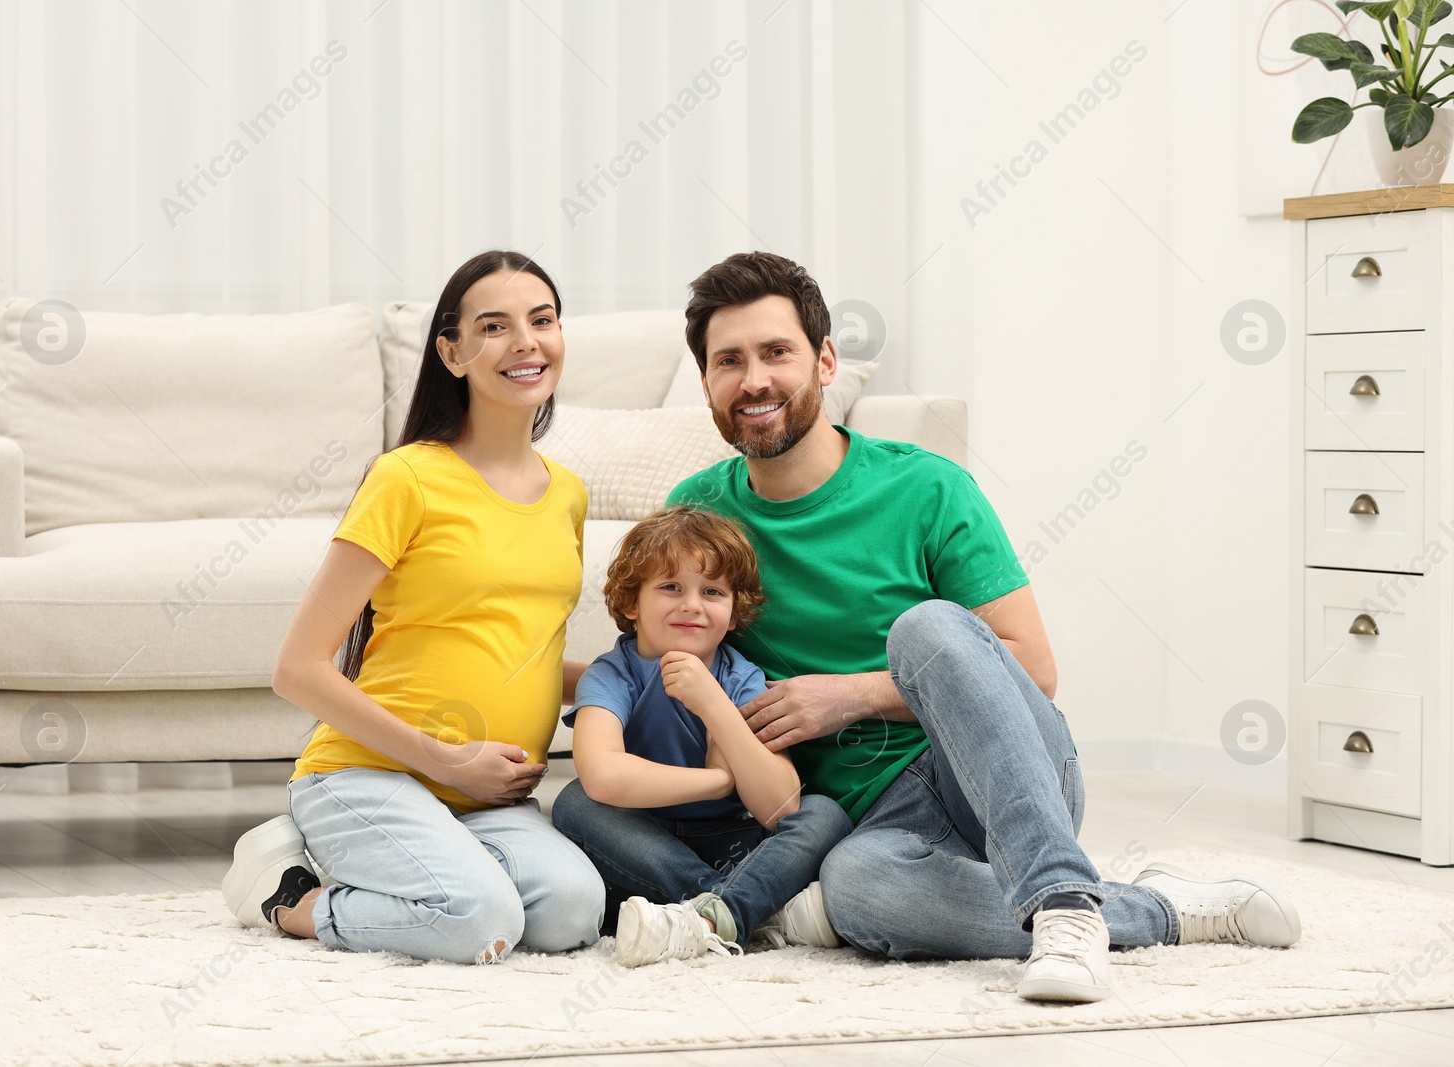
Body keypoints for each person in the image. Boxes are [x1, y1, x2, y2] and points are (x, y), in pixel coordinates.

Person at [665, 251, 1302, 1003]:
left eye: (777, 353)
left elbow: (1033, 669)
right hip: (873, 826)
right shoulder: (695, 514)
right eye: (728, 361)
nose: (755, 380)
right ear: (705, 382)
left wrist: (854, 696)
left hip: (993, 773)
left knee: (928, 627)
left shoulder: (925, 486)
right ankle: (1155, 908)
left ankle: (1063, 903)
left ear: (825, 360)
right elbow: (658, 664)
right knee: (856, 892)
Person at [220, 250, 604, 964]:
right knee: (478, 920)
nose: (525, 340)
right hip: (366, 772)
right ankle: (291, 895)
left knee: (574, 913)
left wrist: (644, 679)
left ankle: (421, 865)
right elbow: (297, 668)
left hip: (491, 800)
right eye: (495, 326)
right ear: (452, 353)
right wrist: (447, 760)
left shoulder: (569, 493)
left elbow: (523, 648)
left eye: (542, 319)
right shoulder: (407, 478)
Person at [551, 506, 852, 967]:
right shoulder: (613, 675)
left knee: (823, 813)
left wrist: (713, 703)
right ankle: (755, 909)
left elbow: (781, 806)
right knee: (575, 803)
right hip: (645, 840)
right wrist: (717, 780)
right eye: (671, 587)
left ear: (733, 614)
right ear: (632, 603)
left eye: (712, 592)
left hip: (739, 839)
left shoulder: (741, 678)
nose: (692, 604)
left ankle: (711, 915)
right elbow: (602, 776)